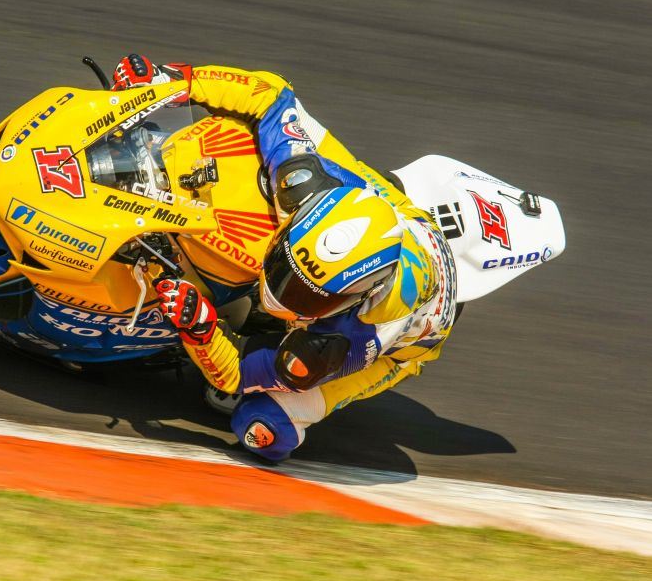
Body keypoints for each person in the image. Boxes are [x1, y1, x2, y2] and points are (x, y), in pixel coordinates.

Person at [112, 54, 458, 462]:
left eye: (311, 297)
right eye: (285, 273)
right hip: (399, 216)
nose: (283, 295)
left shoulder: (346, 343)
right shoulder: (310, 183)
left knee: (261, 427)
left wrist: (200, 327)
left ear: (356, 298)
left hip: (406, 344)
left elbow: (238, 375)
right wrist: (173, 81)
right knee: (266, 138)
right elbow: (271, 96)